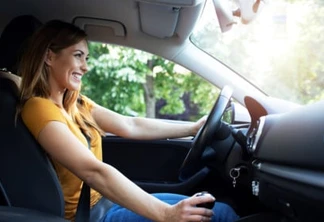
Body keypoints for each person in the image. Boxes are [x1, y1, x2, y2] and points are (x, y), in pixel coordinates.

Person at [17, 20, 239, 222]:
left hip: (106, 203)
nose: (85, 67)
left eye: (86, 58)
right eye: (77, 55)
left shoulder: (75, 104)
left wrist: (192, 128)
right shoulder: (38, 108)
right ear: (49, 57)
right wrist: (166, 214)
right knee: (221, 215)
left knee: (217, 208)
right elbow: (92, 171)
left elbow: (130, 125)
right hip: (89, 216)